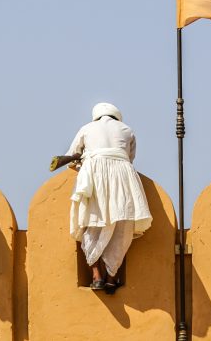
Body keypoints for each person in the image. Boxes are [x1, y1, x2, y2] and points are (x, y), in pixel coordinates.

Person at [65, 103, 152, 294]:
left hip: (94, 177)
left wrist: (84, 163)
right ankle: (112, 277)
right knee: (121, 227)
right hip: (123, 178)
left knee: (91, 223)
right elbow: (129, 158)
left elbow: (71, 158)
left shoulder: (86, 128)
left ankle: (96, 276)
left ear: (96, 116)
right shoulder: (127, 130)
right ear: (116, 116)